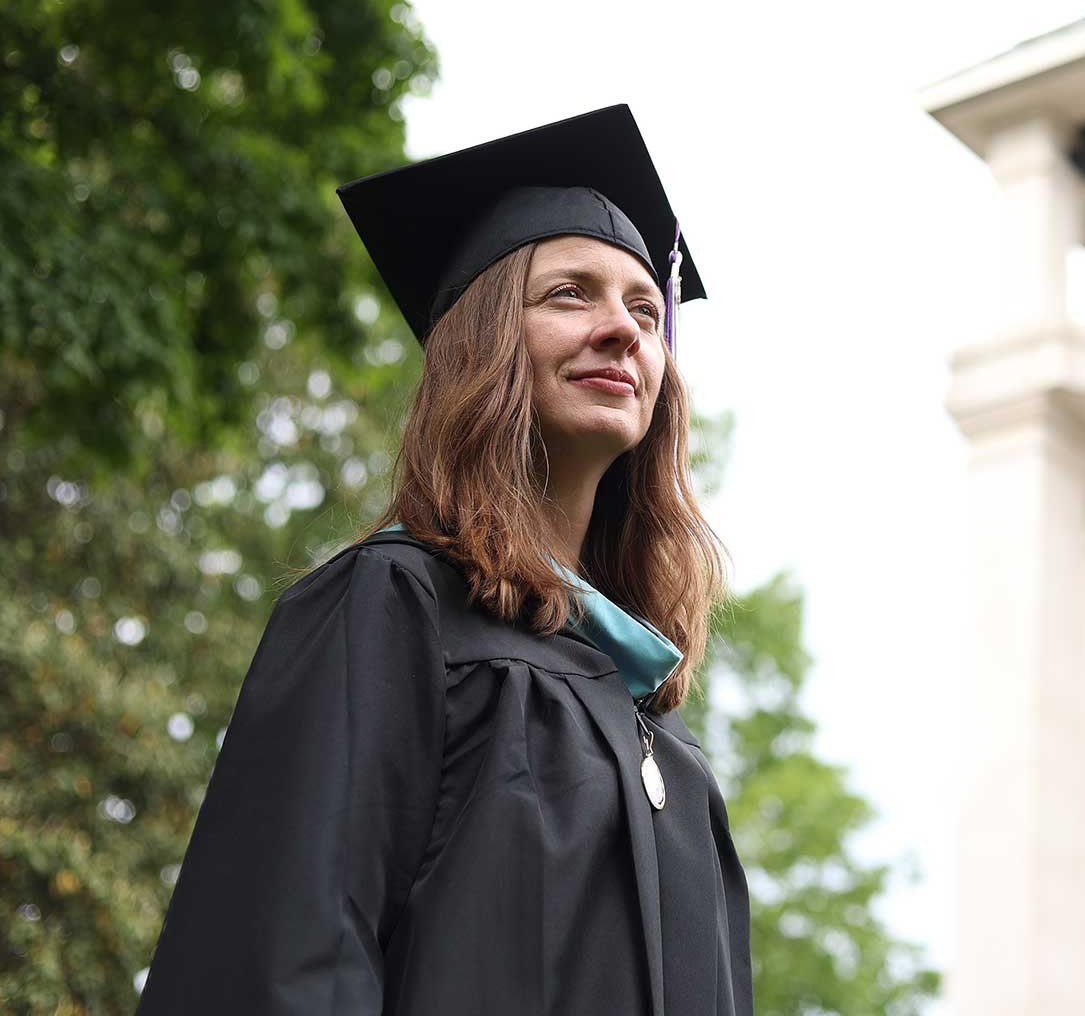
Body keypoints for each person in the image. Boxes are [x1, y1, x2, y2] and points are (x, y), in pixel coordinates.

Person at [136, 106, 753, 1015]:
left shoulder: (665, 737)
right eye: (571, 293)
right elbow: (281, 962)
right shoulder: (394, 605)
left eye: (645, 309)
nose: (625, 330)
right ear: (486, 343)